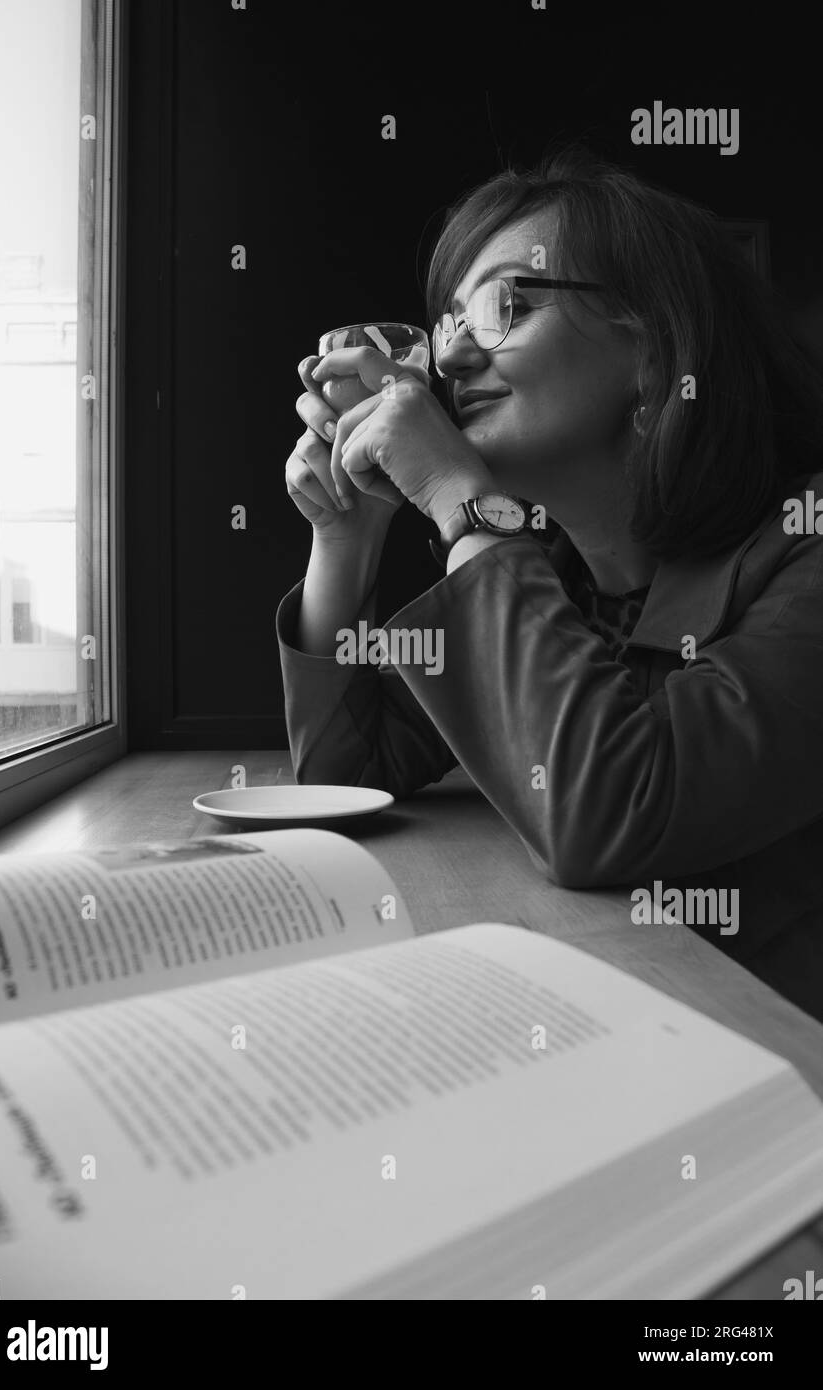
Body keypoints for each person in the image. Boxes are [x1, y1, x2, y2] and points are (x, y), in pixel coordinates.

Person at [277, 144, 823, 1022]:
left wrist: (465, 506)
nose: (450, 361)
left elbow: (613, 814)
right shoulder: (556, 569)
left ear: (654, 346)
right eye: (448, 323)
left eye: (505, 306)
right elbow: (351, 769)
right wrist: (347, 535)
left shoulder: (806, 547)